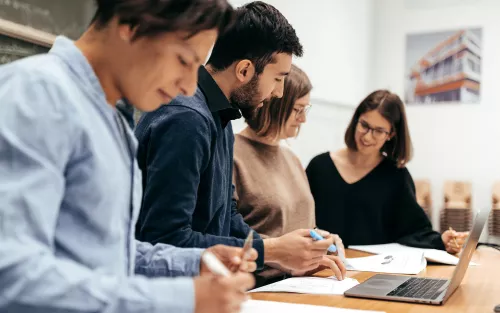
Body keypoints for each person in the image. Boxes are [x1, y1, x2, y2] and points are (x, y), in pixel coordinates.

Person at [0, 1, 258, 313]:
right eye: (183, 61)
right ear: (132, 24)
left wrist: (193, 261)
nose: (189, 87)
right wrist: (180, 299)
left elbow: (106, 257)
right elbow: (12, 274)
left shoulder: (112, 119)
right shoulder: (38, 94)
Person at [135, 1, 340, 279]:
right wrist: (273, 251)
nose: (279, 92)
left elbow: (225, 217)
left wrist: (287, 255)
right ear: (244, 70)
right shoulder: (187, 119)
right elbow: (166, 240)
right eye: (278, 78)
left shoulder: (220, 116)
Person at [306, 90, 469, 254]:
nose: (368, 137)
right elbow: (299, 222)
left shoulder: (396, 176)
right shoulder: (319, 167)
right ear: (356, 120)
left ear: (391, 134)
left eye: (378, 131)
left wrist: (441, 240)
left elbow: (414, 230)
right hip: (321, 267)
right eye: (364, 125)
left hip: (370, 271)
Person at [233, 64, 346, 282]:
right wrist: (284, 255)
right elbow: (228, 233)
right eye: (297, 109)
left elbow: (299, 226)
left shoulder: (291, 158)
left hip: (302, 282)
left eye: (306, 109)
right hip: (259, 285)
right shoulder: (232, 152)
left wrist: (321, 239)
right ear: (275, 104)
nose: (303, 119)